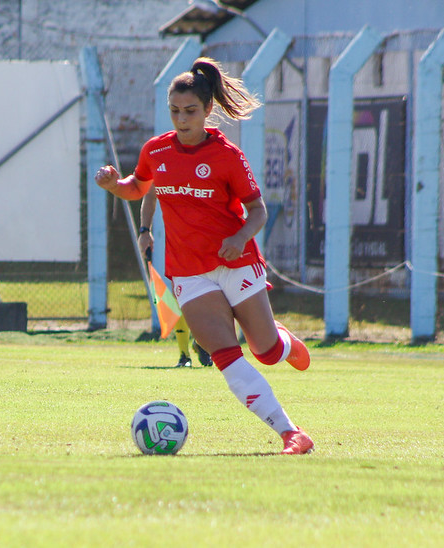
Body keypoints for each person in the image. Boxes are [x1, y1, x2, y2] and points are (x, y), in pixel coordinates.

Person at [96, 57, 314, 453]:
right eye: (175, 111)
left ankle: (284, 343)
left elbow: (258, 210)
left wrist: (240, 236)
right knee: (226, 357)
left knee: (264, 353)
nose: (181, 119)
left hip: (235, 262)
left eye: (190, 111)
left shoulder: (226, 155)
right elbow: (139, 189)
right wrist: (115, 185)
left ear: (208, 110)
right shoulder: (156, 149)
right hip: (188, 273)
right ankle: (291, 432)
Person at [138, 190, 213, 368]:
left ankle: (201, 343)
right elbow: (149, 191)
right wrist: (145, 230)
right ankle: (184, 355)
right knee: (182, 296)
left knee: (213, 297)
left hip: (211, 239)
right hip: (180, 243)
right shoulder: (164, 166)